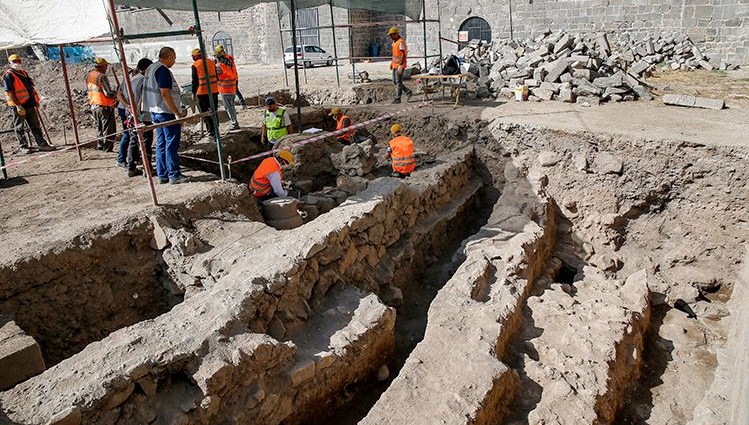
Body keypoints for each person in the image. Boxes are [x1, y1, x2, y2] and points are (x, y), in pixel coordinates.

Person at [143, 46, 189, 184]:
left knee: (161, 143)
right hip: (165, 111)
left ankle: (162, 175)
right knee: (171, 143)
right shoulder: (162, 70)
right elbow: (165, 93)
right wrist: (176, 112)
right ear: (169, 57)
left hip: (155, 111)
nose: (174, 62)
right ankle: (174, 174)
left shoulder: (151, 68)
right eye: (174, 58)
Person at [2, 54, 54, 154]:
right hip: (19, 105)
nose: (17, 63)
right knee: (19, 127)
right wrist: (18, 106)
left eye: (18, 61)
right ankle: (23, 146)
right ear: (10, 63)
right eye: (14, 61)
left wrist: (35, 102)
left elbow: (30, 89)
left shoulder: (23, 73)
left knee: (35, 125)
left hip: (29, 104)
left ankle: (42, 144)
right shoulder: (9, 75)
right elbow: (10, 92)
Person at [117, 58, 154, 177]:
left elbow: (119, 94)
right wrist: (137, 112)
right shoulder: (145, 80)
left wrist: (128, 106)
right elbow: (142, 99)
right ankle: (146, 169)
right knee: (146, 142)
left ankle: (131, 168)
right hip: (142, 116)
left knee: (133, 141)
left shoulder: (130, 79)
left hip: (131, 115)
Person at [86, 58, 118, 151]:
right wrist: (117, 94)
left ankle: (100, 145)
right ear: (102, 66)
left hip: (94, 105)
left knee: (100, 127)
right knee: (109, 129)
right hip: (103, 106)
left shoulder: (89, 75)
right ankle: (107, 148)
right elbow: (107, 93)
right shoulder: (101, 76)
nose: (107, 68)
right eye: (106, 66)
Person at [190, 48, 220, 142]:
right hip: (214, 91)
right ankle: (216, 132)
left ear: (195, 56)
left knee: (206, 114)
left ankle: (212, 134)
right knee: (213, 112)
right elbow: (216, 77)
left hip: (202, 93)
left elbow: (195, 82)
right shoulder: (211, 62)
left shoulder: (195, 65)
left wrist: (193, 93)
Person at [214, 45, 240, 130]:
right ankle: (234, 121)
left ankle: (234, 123)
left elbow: (215, 75)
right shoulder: (229, 61)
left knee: (229, 107)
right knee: (231, 106)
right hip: (232, 88)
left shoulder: (219, 65)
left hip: (225, 89)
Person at [387, 27, 413, 104]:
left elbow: (402, 55)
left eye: (391, 35)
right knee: (395, 81)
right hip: (395, 65)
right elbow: (395, 55)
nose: (390, 37)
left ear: (396, 34)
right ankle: (408, 91)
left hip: (400, 65)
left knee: (398, 81)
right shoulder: (395, 42)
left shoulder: (400, 42)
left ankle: (398, 98)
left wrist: (400, 65)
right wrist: (392, 63)